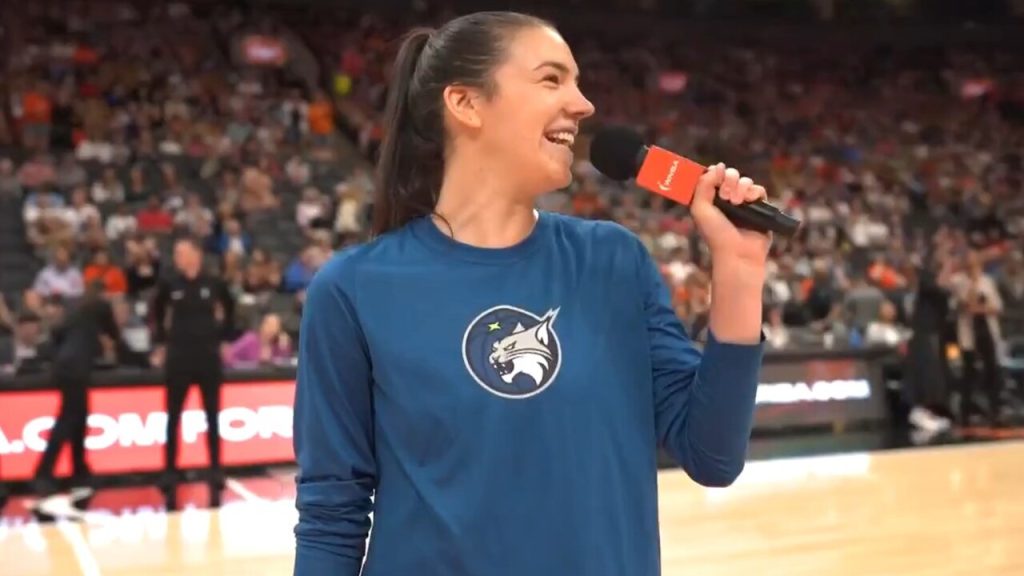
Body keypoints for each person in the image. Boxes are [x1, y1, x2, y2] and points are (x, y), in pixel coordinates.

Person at [292, 11, 770, 576]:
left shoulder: (613, 261)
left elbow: (712, 455)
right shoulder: (353, 289)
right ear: (466, 104)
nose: (583, 104)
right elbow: (332, 514)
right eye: (552, 79)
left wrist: (738, 272)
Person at [151, 237, 235, 491]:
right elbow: (156, 310)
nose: (177, 257)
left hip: (207, 356)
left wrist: (223, 336)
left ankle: (215, 469)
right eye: (176, 253)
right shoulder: (169, 283)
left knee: (212, 415)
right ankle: (170, 470)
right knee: (173, 415)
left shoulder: (213, 282)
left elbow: (230, 307)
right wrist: (162, 342)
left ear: (196, 255)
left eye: (181, 252)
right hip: (178, 357)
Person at [32, 280, 120, 495]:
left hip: (63, 366)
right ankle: (44, 473)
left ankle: (79, 470)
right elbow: (115, 333)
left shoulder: (73, 312)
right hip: (77, 369)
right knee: (69, 419)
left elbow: (55, 334)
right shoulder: (101, 307)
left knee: (79, 418)